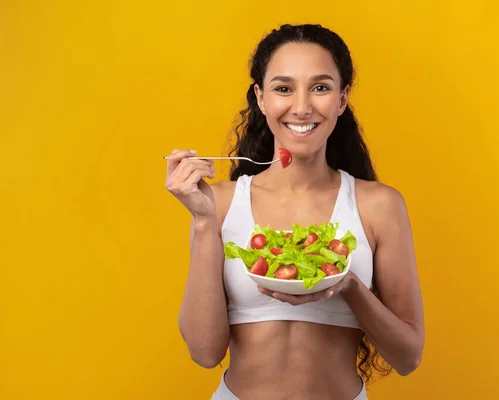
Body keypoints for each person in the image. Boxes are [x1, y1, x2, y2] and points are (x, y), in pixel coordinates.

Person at [165, 23, 425, 400]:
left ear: (341, 98)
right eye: (283, 88)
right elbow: (205, 353)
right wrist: (204, 222)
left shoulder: (379, 205)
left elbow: (408, 356)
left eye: (320, 87)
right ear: (261, 98)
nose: (301, 107)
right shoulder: (217, 203)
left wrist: (347, 284)